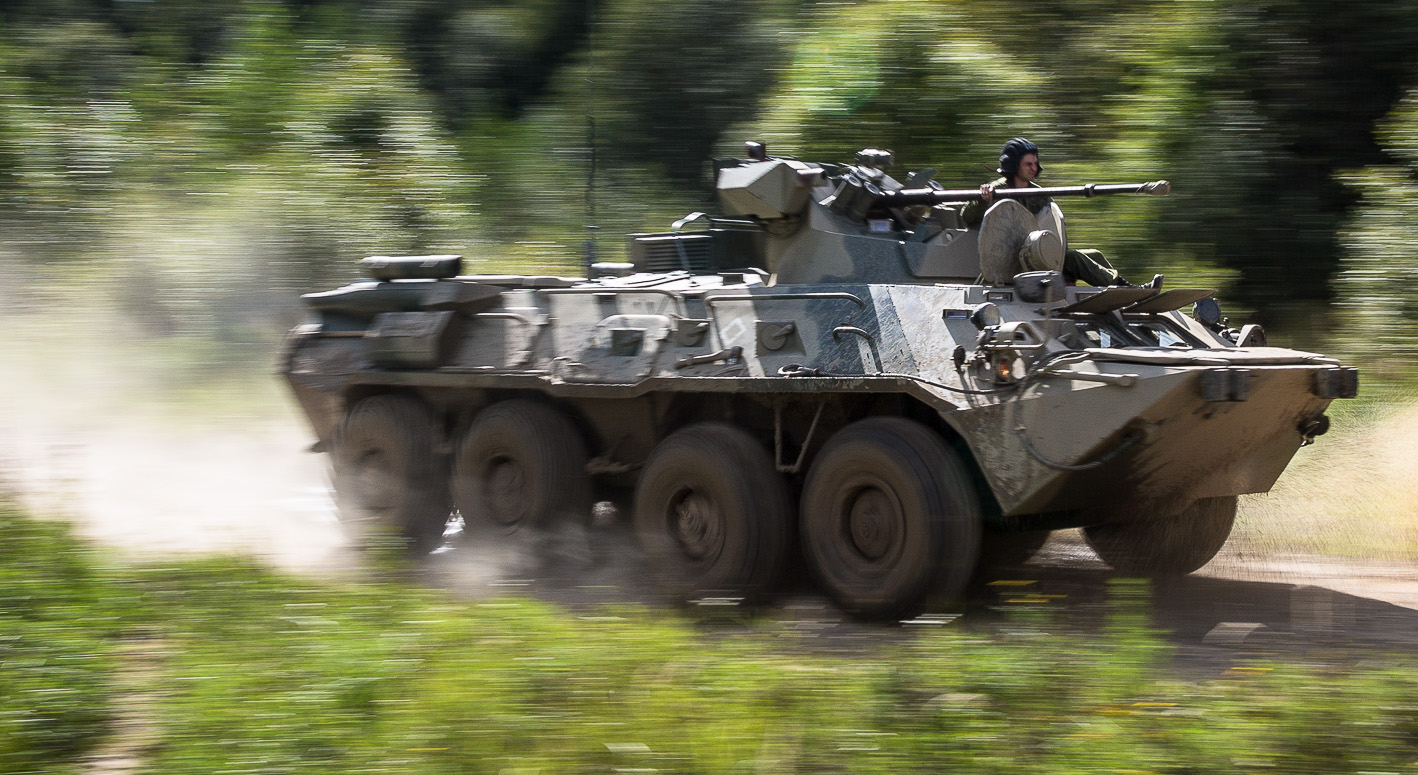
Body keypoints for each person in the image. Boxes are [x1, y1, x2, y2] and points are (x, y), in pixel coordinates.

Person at [962, 137, 1145, 287]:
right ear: (1013, 166)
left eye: (1035, 163)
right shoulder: (996, 191)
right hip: (1013, 260)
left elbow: (1053, 224)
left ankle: (1117, 294)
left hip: (1037, 254)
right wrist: (982, 200)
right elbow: (966, 217)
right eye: (1028, 164)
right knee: (1074, 259)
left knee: (1094, 255)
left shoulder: (1038, 193)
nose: (1034, 168)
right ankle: (1125, 288)